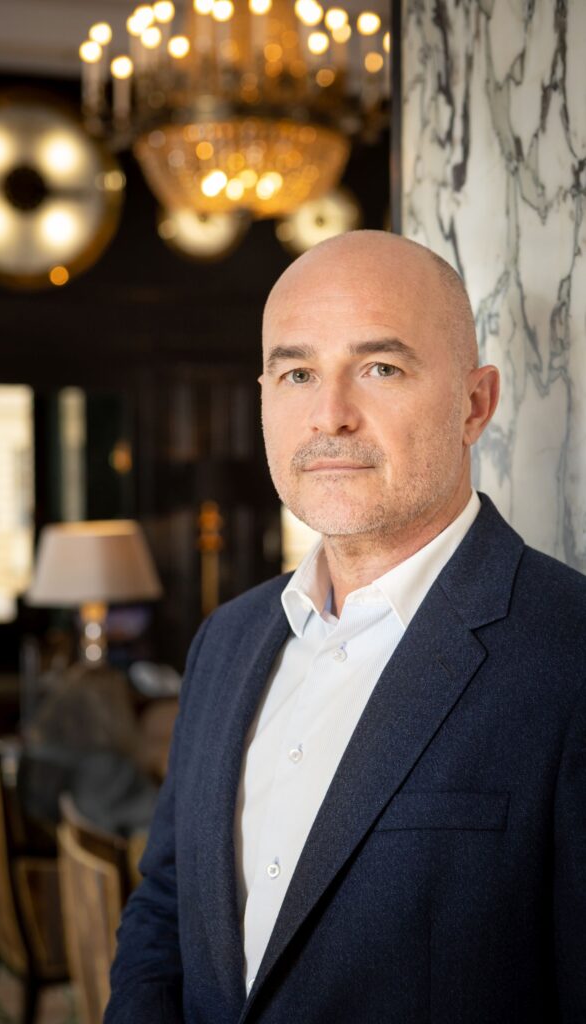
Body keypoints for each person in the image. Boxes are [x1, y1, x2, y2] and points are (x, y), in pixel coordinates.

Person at [104, 231, 586, 1024]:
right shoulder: (224, 640)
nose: (329, 415)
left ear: (474, 404)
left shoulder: (566, 653)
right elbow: (168, 903)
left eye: (379, 368)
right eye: (296, 373)